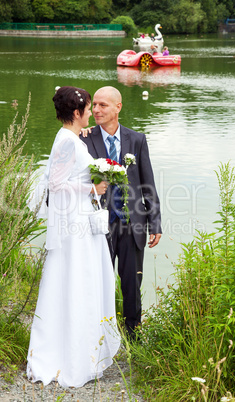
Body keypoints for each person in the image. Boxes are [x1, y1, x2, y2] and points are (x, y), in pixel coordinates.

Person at [27, 86, 120, 388]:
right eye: (89, 108)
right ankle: (73, 356)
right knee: (77, 279)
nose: (92, 112)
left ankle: (82, 349)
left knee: (81, 279)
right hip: (75, 223)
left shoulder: (69, 137)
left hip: (79, 219)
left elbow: (68, 165)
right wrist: (93, 188)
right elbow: (55, 185)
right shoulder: (67, 142)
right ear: (77, 112)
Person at [81, 86, 162, 338]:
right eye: (94, 105)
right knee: (97, 282)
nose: (95, 110)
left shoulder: (136, 140)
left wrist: (155, 223)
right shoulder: (84, 138)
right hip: (99, 225)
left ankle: (133, 338)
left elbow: (147, 183)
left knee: (131, 284)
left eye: (102, 105)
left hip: (133, 224)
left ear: (118, 107)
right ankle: (97, 336)